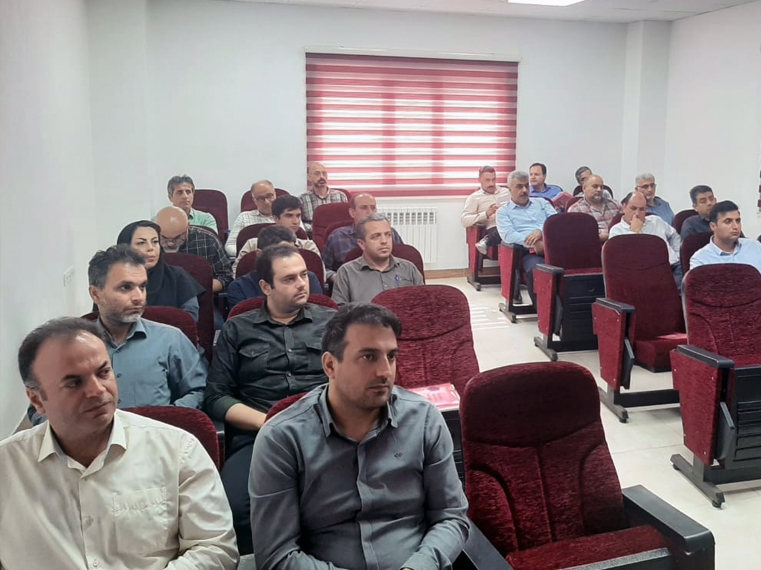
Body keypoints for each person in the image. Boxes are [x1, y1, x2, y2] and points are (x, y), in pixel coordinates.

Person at [2, 317, 238, 570]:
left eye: (103, 372)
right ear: (37, 400)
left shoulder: (177, 449)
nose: (97, 390)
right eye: (74, 383)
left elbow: (215, 548)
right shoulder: (7, 467)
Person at [250, 303, 469, 570]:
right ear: (330, 365)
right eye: (369, 357)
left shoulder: (423, 420)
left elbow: (451, 517)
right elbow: (277, 555)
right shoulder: (282, 439)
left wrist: (418, 566)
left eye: (391, 356)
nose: (385, 372)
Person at [205, 244, 337, 554]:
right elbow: (216, 397)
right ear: (266, 286)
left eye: (304, 275)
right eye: (289, 279)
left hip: (326, 431)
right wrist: (268, 422)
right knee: (235, 507)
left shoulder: (332, 322)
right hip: (259, 436)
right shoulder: (238, 328)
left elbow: (350, 382)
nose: (302, 284)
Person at [117, 220, 205, 321]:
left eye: (155, 242)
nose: (150, 248)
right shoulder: (113, 279)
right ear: (126, 248)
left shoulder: (177, 276)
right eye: (141, 243)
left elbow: (190, 318)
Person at [331, 213, 423, 305]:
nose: (384, 241)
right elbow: (339, 310)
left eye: (388, 235)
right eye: (376, 236)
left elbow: (423, 304)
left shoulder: (409, 269)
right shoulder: (346, 273)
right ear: (362, 244)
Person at [496, 170, 557, 306]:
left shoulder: (541, 203)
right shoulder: (503, 212)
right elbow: (509, 235)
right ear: (510, 189)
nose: (524, 190)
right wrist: (534, 243)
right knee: (536, 270)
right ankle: (543, 311)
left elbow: (555, 221)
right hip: (527, 252)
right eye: (519, 186)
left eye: (526, 186)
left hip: (553, 246)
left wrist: (540, 232)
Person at [227, 225, 324, 308]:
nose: (289, 257)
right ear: (260, 254)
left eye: (292, 250)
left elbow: (318, 314)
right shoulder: (239, 287)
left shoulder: (309, 278)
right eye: (281, 252)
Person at [233, 195, 321, 274]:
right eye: (289, 216)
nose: (296, 221)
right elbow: (236, 273)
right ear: (275, 218)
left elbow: (320, 276)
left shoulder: (308, 246)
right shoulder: (252, 245)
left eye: (298, 216)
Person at [322, 192, 404, 277]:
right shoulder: (337, 237)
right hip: (350, 281)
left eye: (373, 208)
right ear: (352, 212)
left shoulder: (390, 233)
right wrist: (336, 277)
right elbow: (323, 269)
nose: (370, 212)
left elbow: (402, 261)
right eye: (364, 208)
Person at [610, 191, 683, 286]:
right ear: (624, 207)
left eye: (641, 209)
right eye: (633, 208)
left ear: (646, 209)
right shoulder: (617, 231)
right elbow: (626, 260)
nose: (637, 213)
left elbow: (674, 236)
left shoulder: (656, 220)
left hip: (674, 267)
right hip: (646, 273)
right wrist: (635, 232)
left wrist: (677, 254)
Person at [156, 206, 233, 293]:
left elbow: (226, 276)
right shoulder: (149, 242)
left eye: (177, 237)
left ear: (188, 226)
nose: (170, 244)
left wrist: (198, 289)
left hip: (200, 295)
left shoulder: (207, 240)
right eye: (164, 237)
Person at [690, 200, 761, 273]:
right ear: (713, 226)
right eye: (728, 221)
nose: (735, 226)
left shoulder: (755, 246)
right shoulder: (701, 259)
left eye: (737, 221)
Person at [461, 165, 511, 255]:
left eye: (493, 179)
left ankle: (487, 241)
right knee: (505, 231)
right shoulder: (474, 198)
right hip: (494, 227)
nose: (491, 183)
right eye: (487, 180)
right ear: (479, 180)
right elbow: (464, 220)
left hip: (512, 222)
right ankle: (487, 240)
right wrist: (486, 214)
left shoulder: (506, 192)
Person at [225, 179, 278, 256]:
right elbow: (230, 245)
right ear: (254, 200)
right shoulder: (244, 217)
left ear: (275, 194)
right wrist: (247, 253)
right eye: (260, 198)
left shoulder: (288, 216)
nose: (266, 202)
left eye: (270, 196)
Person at [567, 174, 622, 241]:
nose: (599, 190)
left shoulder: (615, 205)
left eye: (601, 187)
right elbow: (576, 236)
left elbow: (625, 226)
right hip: (592, 245)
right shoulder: (576, 210)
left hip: (616, 242)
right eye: (595, 186)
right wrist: (601, 237)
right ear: (584, 188)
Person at [299, 162, 348, 231]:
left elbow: (347, 220)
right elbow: (300, 223)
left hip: (337, 234)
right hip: (313, 234)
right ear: (309, 177)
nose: (321, 176)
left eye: (324, 173)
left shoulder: (340, 196)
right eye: (317, 173)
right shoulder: (302, 199)